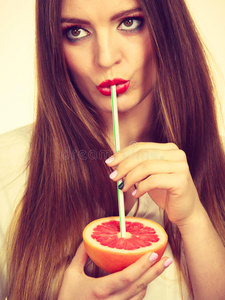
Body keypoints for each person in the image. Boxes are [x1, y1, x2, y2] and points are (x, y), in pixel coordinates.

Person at [1, 0, 225, 299]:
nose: (106, 58)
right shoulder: (7, 167)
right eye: (77, 31)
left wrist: (194, 219)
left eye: (129, 22)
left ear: (168, 29)